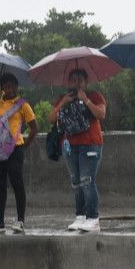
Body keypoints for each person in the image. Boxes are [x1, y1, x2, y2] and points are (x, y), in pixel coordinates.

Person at [48, 68, 107, 233]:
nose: (77, 82)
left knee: (87, 180)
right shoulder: (63, 97)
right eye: (74, 79)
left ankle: (92, 218)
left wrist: (86, 100)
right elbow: (51, 119)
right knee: (76, 182)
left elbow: (101, 114)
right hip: (70, 145)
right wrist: (62, 103)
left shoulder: (95, 95)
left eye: (80, 79)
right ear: (69, 82)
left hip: (90, 143)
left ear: (86, 82)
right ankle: (80, 216)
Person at [0, 73, 38, 235]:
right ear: (2, 88)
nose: (9, 89)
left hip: (15, 149)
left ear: (16, 87)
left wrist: (24, 145)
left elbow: (34, 128)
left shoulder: (22, 105)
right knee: (0, 186)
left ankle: (20, 221)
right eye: (6, 87)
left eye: (12, 86)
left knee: (17, 183)